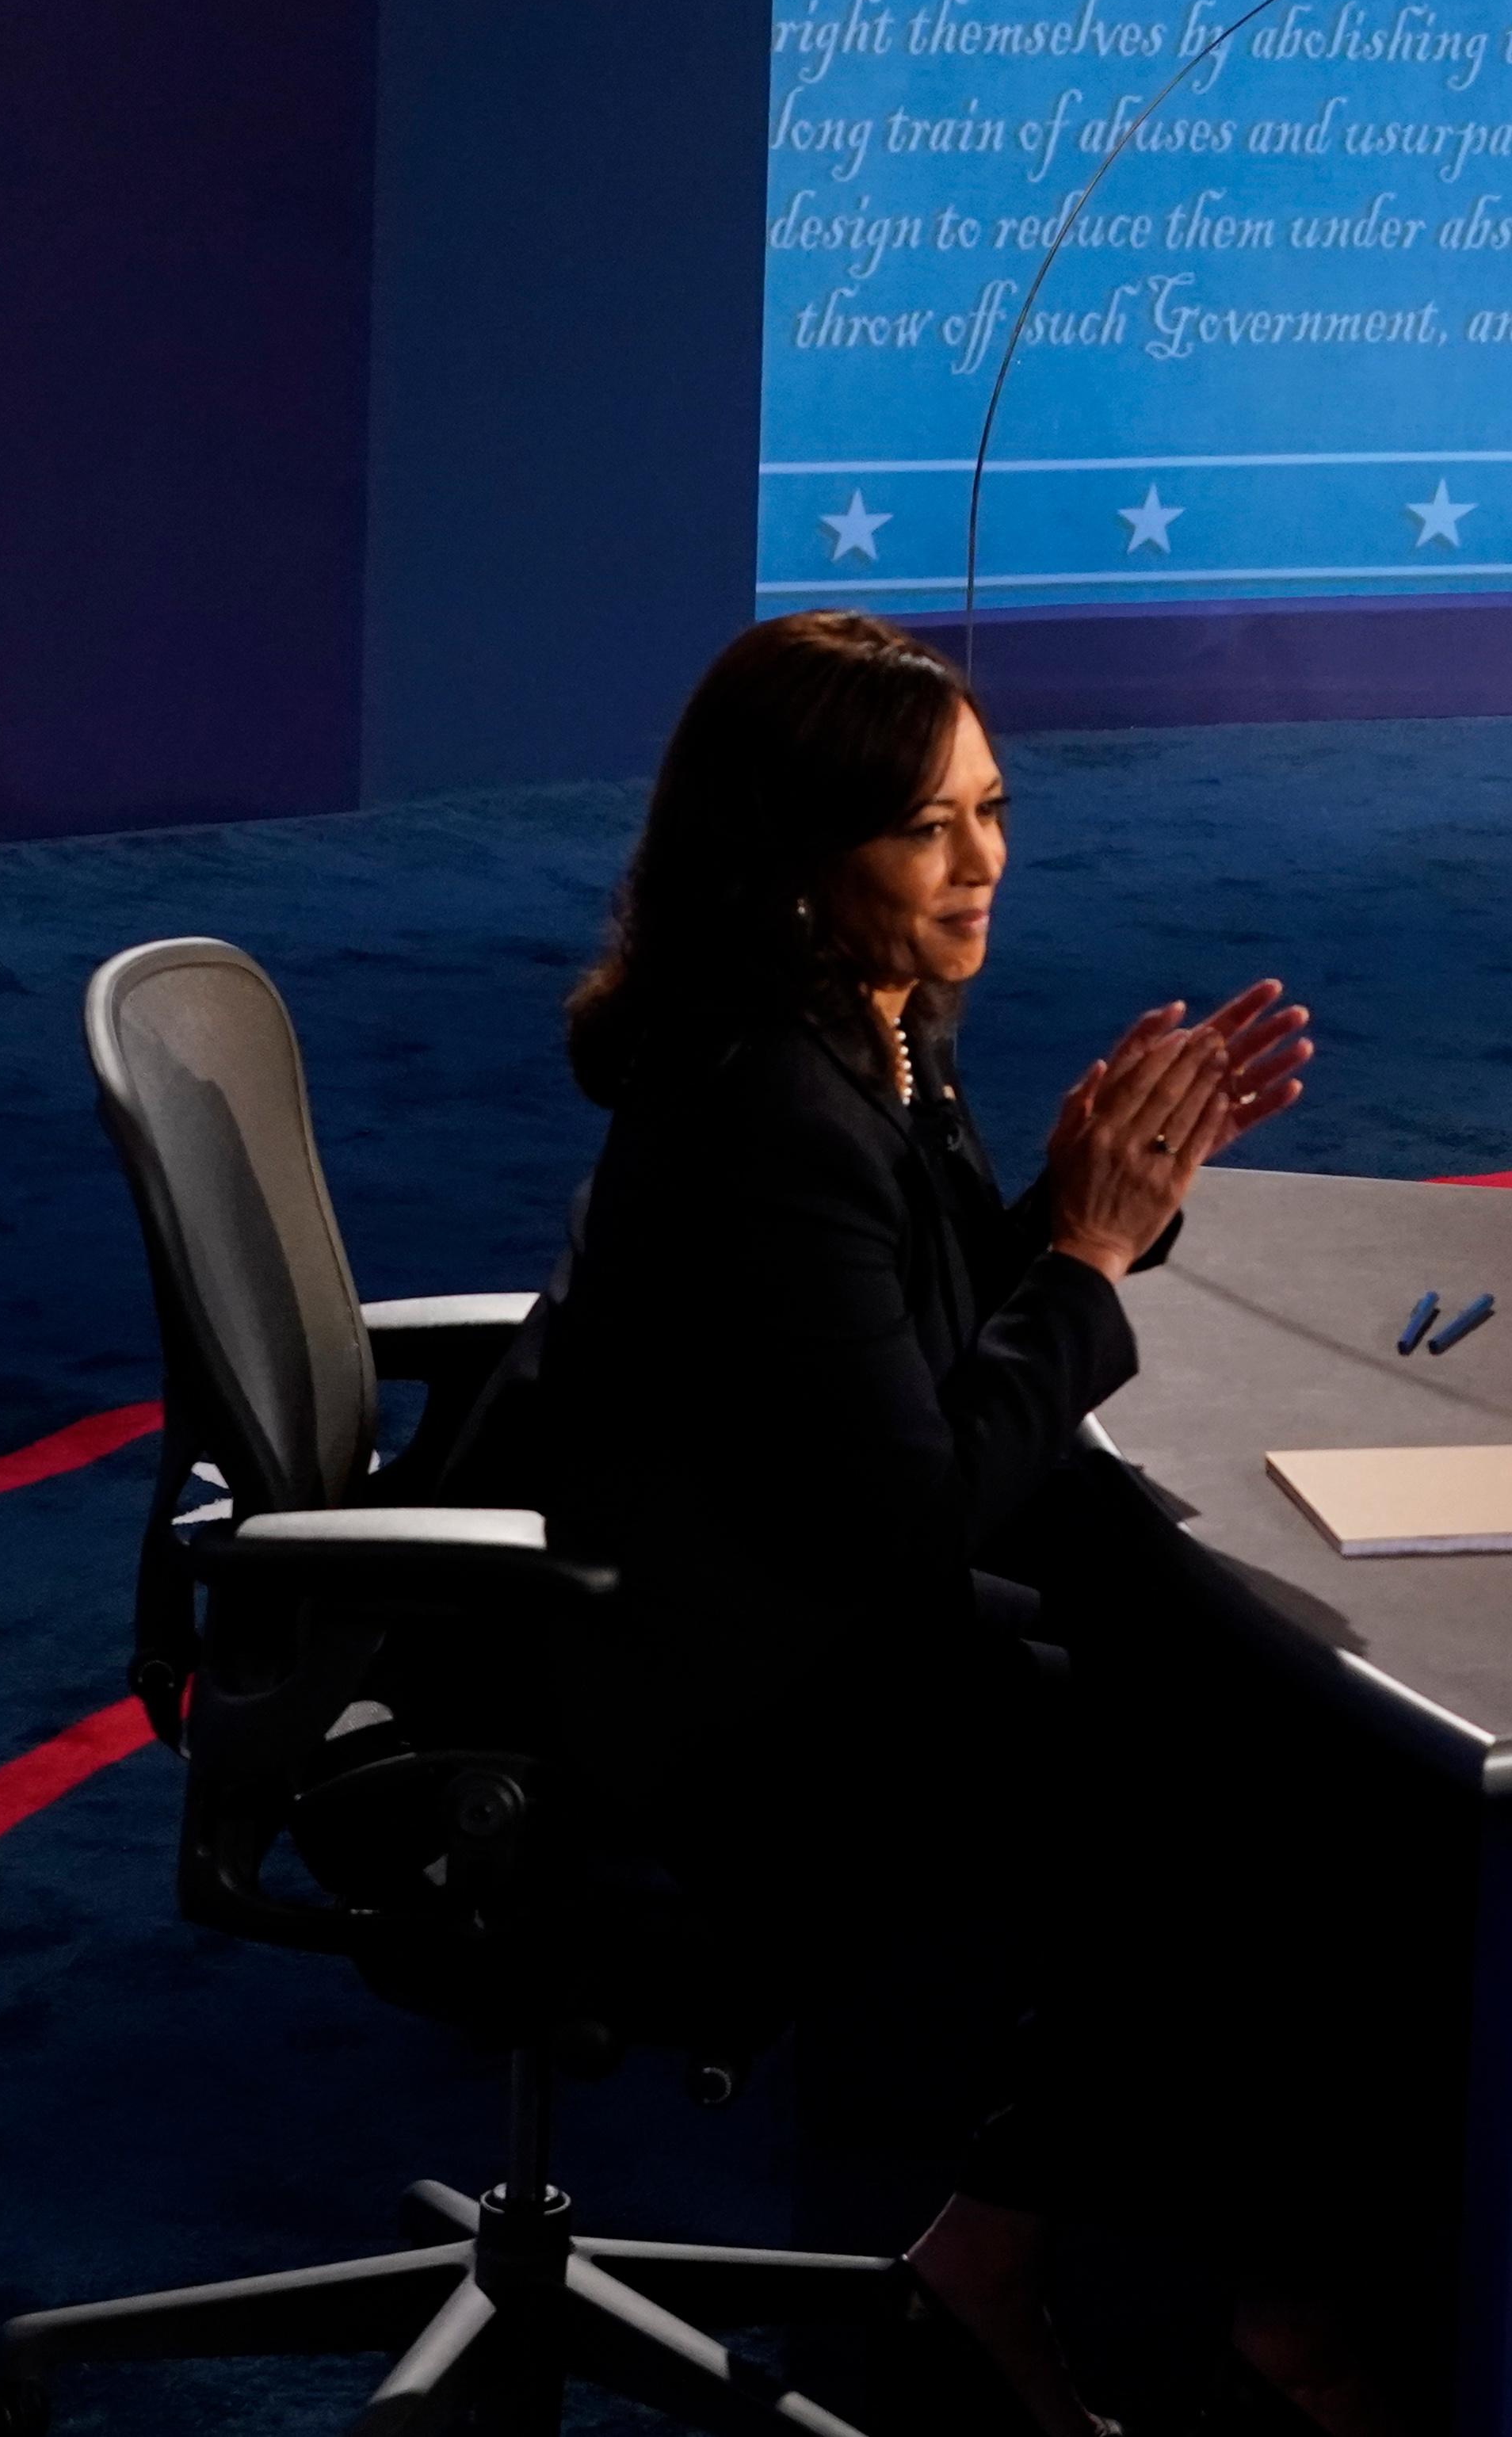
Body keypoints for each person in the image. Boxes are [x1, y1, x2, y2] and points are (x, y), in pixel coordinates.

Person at [527, 610, 1312, 2436]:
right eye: (926, 827)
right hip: (719, 1681)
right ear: (797, 861)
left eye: (992, 806)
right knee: (1202, 1775)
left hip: (772, 1585)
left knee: (1213, 1690)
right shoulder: (765, 1103)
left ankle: (1048, 2238)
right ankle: (1161, 2269)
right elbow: (929, 1494)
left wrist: (1080, 1195)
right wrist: (1089, 1252)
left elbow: (915, 1336)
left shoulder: (870, 1029)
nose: (984, 863)